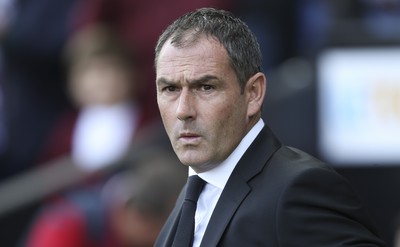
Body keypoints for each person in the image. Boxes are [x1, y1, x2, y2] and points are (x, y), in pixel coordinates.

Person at [153, 8, 385, 247]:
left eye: (206, 87)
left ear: (253, 93)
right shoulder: (193, 194)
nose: (183, 110)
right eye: (170, 89)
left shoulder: (298, 189)